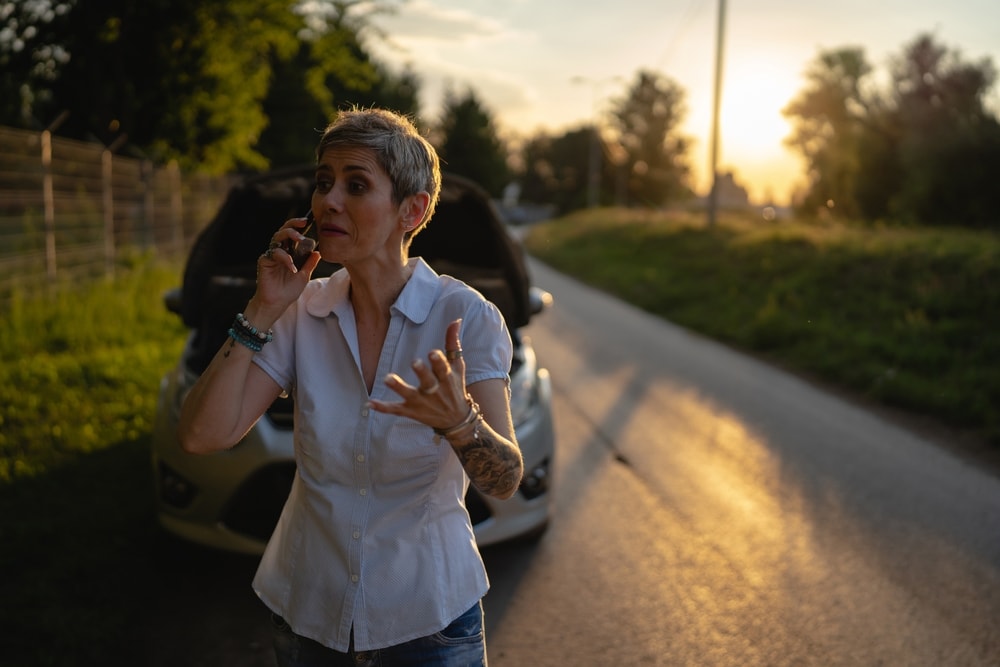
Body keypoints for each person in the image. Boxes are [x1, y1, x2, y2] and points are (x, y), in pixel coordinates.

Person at [178, 107, 524, 667]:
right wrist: (263, 308)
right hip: (308, 614)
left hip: (429, 622)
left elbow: (505, 479)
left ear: (412, 210)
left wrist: (460, 423)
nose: (328, 201)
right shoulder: (300, 311)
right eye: (323, 182)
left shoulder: (466, 317)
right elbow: (202, 436)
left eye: (356, 184)